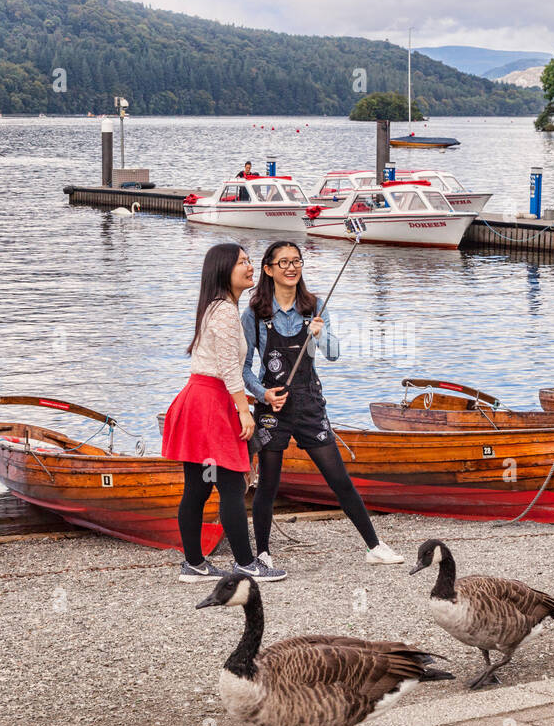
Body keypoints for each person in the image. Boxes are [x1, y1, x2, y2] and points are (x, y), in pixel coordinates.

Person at [242, 241, 404, 570]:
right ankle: (262, 553)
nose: (292, 267)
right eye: (283, 262)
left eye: (297, 261)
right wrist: (263, 395)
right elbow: (244, 369)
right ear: (268, 269)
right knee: (268, 483)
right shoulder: (254, 312)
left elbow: (333, 354)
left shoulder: (314, 306)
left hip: (309, 403)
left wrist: (319, 334)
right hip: (273, 407)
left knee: (338, 478)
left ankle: (374, 546)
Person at [162, 243, 283, 583]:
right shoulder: (226, 312)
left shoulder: (215, 307)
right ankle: (246, 564)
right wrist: (244, 411)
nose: (250, 267)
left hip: (199, 398)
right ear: (223, 269)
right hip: (212, 403)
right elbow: (230, 368)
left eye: (249, 261)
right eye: (242, 262)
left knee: (198, 487)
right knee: (230, 483)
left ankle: (195, 564)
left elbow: (220, 367)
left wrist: (241, 400)